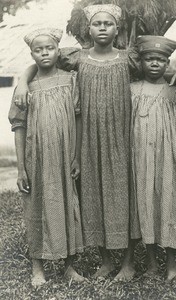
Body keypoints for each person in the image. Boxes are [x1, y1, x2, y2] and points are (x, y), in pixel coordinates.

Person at [12, 4, 176, 281]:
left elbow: (153, 67)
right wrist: (22, 81)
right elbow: (43, 60)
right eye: (97, 23)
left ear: (117, 28)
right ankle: (106, 261)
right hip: (89, 138)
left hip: (123, 137)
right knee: (93, 196)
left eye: (108, 23)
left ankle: (128, 263)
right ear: (89, 29)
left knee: (125, 196)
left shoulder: (127, 58)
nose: (103, 27)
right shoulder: (77, 58)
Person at [8, 28, 84, 286]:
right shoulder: (25, 88)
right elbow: (18, 127)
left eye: (49, 48)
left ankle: (69, 265)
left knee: (67, 204)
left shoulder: (70, 80)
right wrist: (21, 169)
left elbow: (78, 118)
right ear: (32, 54)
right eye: (38, 50)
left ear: (57, 50)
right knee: (36, 207)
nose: (44, 53)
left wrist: (76, 156)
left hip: (64, 156)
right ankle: (37, 268)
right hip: (36, 157)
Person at [130, 35, 176, 282]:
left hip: (169, 158)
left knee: (170, 204)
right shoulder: (132, 90)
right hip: (140, 158)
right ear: (141, 61)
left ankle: (171, 266)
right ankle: (152, 263)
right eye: (149, 59)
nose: (154, 63)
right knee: (146, 206)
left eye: (161, 59)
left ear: (168, 63)